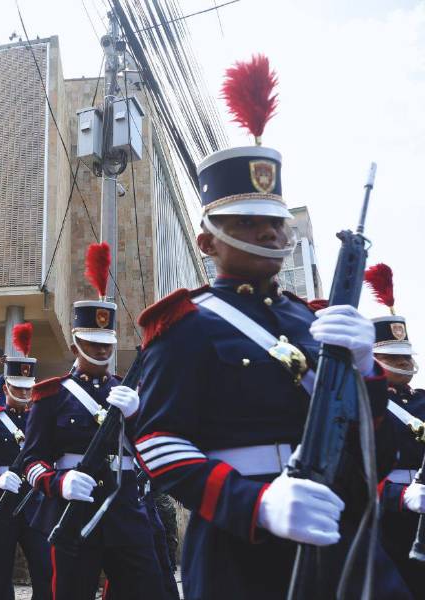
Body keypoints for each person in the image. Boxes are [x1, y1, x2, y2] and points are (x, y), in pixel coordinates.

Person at [133, 55, 415, 599]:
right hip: (242, 543)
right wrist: (256, 504)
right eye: (246, 223)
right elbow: (160, 442)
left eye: (274, 222)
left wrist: (365, 371)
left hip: (337, 522)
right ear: (208, 241)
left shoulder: (313, 319)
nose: (266, 233)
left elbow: (370, 438)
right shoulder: (187, 324)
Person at [22, 243, 167, 600]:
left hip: (126, 511)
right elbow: (31, 461)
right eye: (92, 343)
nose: (101, 351)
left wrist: (136, 415)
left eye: (106, 344)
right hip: (73, 510)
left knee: (146, 589)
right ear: (75, 346)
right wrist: (60, 482)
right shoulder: (51, 395)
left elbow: (153, 452)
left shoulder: (129, 392)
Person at [0, 322, 51, 600]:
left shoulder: (39, 420)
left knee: (45, 570)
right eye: (18, 389)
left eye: (28, 389)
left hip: (33, 505)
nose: (25, 395)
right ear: (6, 387)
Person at [366, 263, 425, 594]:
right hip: (382, 517)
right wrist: (399, 496)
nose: (405, 365)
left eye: (406, 358)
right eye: (395, 359)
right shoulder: (364, 405)